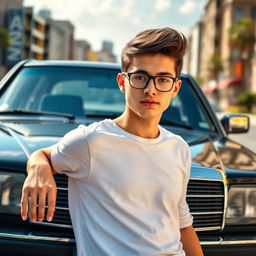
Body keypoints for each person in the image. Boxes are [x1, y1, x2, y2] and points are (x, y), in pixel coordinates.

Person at [21, 27, 204, 256]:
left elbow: (183, 227)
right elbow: (43, 155)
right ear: (122, 82)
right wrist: (39, 168)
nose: (150, 90)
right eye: (140, 77)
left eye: (163, 79)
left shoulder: (179, 148)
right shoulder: (91, 141)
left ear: (175, 88)